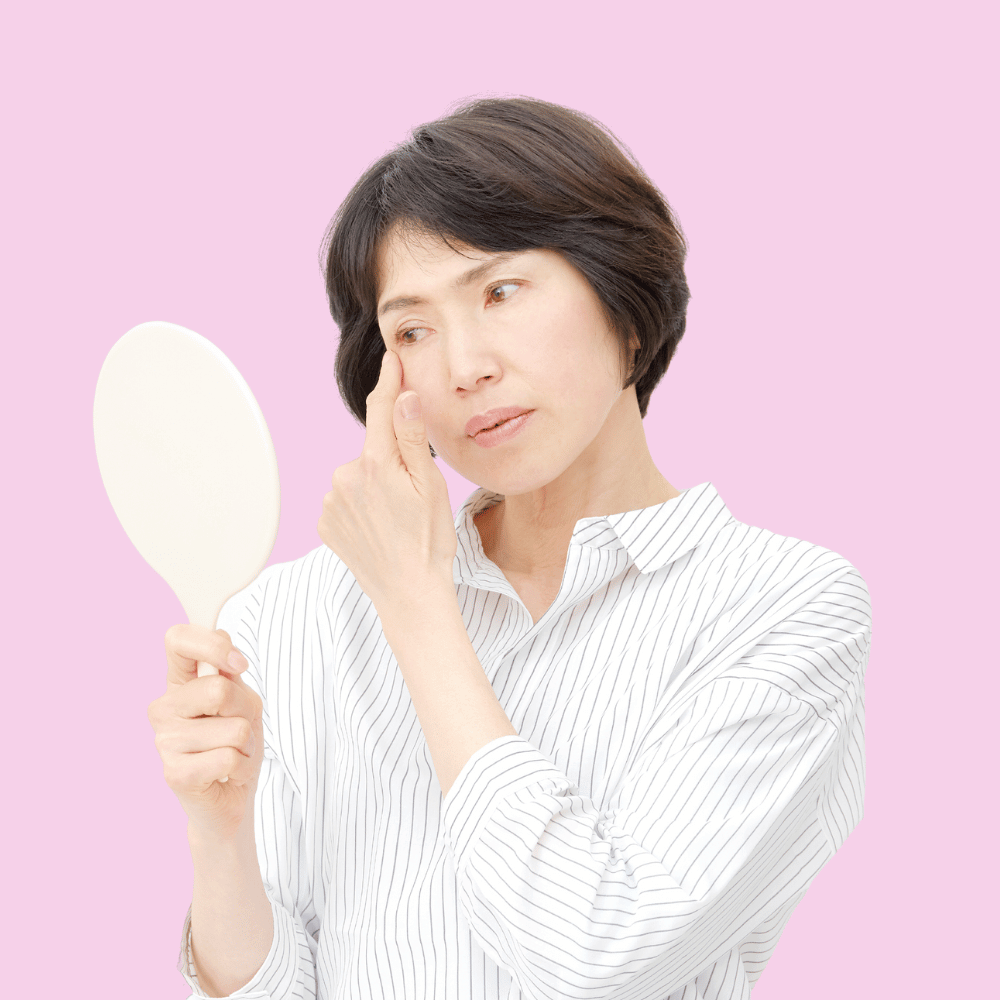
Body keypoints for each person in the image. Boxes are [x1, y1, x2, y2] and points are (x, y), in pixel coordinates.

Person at [148, 96, 871, 1000]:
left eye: (499, 292)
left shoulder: (784, 609)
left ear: (626, 303)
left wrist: (417, 608)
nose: (464, 367)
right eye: (411, 329)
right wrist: (218, 831)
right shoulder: (295, 615)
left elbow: (597, 952)